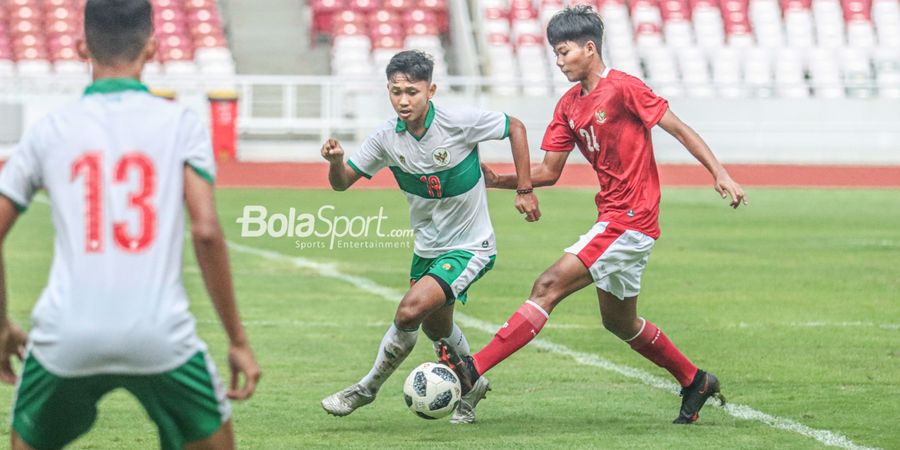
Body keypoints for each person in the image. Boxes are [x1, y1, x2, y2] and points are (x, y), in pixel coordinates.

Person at [438, 5, 747, 425]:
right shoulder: (568, 106)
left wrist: (720, 173)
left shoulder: (624, 88)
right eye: (554, 53)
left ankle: (472, 370)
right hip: (616, 220)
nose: (558, 60)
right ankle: (695, 381)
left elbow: (678, 128)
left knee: (547, 285)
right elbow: (548, 172)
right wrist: (500, 181)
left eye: (564, 52)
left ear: (589, 48)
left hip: (630, 220)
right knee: (620, 322)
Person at [0, 1, 261, 448]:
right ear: (153, 48)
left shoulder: (50, 130)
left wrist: (3, 325)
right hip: (159, 333)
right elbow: (206, 231)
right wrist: (237, 338)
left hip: (66, 333)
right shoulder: (180, 124)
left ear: (82, 47)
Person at [319, 50, 540, 424]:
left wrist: (523, 188)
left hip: (472, 247)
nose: (403, 100)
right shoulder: (386, 138)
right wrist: (336, 162)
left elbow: (515, 126)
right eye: (395, 91)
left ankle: (366, 388)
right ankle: (472, 387)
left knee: (409, 311)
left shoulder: (458, 122)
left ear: (431, 90)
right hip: (427, 250)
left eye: (412, 92)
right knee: (437, 328)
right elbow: (342, 185)